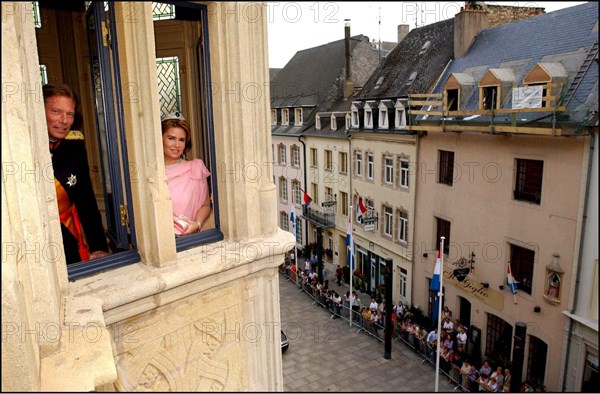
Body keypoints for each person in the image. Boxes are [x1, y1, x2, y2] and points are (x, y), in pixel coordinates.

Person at [44, 83, 109, 264]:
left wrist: (98, 247)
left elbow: (86, 199)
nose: (64, 120)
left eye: (70, 114)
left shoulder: (74, 145)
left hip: (68, 237)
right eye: (56, 111)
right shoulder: (18, 146)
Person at [161, 112, 211, 235]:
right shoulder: (149, 171)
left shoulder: (195, 168)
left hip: (187, 240)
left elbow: (205, 206)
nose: (177, 145)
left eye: (182, 140)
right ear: (160, 139)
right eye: (171, 138)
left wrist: (197, 224)